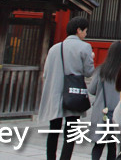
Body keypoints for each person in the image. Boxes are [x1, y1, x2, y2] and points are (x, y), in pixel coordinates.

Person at [38, 16, 95, 160]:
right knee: (71, 130)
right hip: (73, 94)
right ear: (79, 30)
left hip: (55, 94)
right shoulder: (85, 47)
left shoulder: (54, 48)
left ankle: (51, 157)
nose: (86, 34)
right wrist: (91, 58)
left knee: (54, 130)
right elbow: (88, 72)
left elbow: (46, 73)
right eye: (85, 31)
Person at [88, 41, 121, 160]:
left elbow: (92, 89)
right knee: (112, 145)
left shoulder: (101, 70)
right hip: (119, 113)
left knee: (98, 145)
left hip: (102, 112)